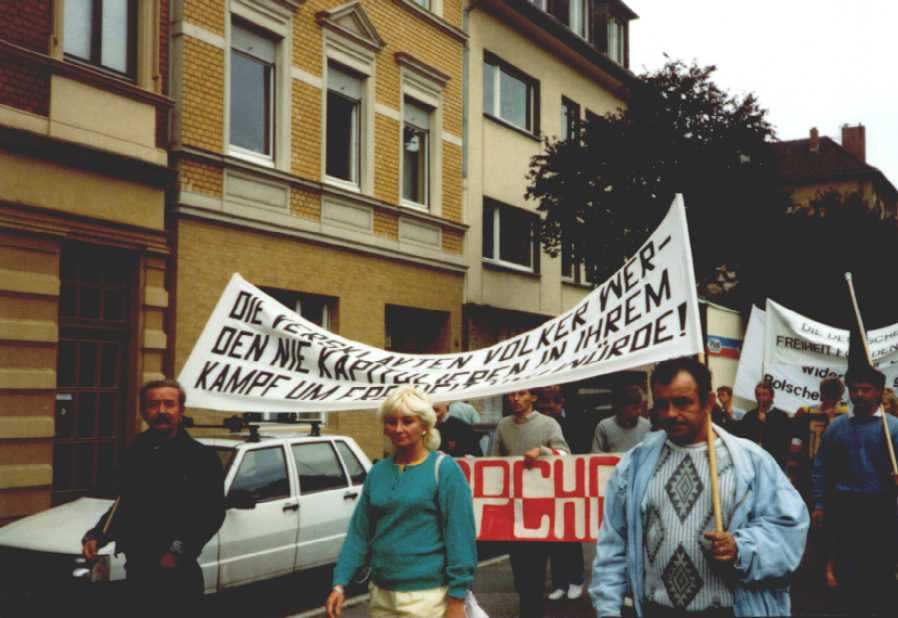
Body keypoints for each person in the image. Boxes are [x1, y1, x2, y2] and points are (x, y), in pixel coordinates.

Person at [590, 357, 809, 618]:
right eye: (662, 404)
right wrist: (607, 610)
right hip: (656, 611)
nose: (671, 413)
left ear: (708, 401)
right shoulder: (634, 465)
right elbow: (613, 545)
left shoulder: (752, 462)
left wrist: (741, 548)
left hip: (728, 611)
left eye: (682, 402)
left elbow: (789, 529)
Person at [326, 386, 477, 618]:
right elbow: (359, 534)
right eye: (391, 422)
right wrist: (340, 583)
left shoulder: (445, 470)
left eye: (408, 421)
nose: (398, 429)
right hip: (381, 595)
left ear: (425, 425)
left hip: (428, 598)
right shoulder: (377, 473)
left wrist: (457, 598)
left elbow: (460, 537)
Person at [81, 379, 226, 616]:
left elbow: (210, 513)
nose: (161, 411)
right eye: (153, 405)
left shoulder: (200, 457)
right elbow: (125, 503)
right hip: (138, 565)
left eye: (169, 404)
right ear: (142, 411)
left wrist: (176, 552)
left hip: (176, 570)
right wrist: (98, 534)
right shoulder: (136, 450)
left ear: (181, 410)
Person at [812, 365, 898, 614]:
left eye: (866, 390)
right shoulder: (837, 428)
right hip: (845, 509)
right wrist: (819, 503)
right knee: (847, 576)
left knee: (880, 576)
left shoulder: (892, 428)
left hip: (881, 509)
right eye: (855, 389)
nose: (859, 394)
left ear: (880, 393)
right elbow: (820, 468)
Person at [491, 389, 569, 618]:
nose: (514, 398)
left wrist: (544, 451)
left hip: (541, 508)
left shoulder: (549, 424)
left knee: (535, 571)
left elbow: (566, 456)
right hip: (514, 510)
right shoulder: (503, 426)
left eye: (521, 394)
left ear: (533, 397)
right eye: (511, 394)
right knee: (520, 572)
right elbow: (495, 463)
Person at [536, 386, 585, 602]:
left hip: (571, 483)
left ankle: (576, 580)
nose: (547, 411)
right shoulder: (540, 426)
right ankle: (559, 583)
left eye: (551, 406)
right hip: (547, 486)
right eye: (544, 407)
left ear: (561, 404)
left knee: (571, 536)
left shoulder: (576, 420)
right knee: (553, 536)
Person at [737, 382, 792, 469]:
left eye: (764, 394)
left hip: (773, 463)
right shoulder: (749, 416)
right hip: (753, 463)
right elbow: (743, 438)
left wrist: (766, 423)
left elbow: (783, 443)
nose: (761, 398)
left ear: (772, 396)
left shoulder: (781, 416)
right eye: (758, 395)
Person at [592, 383, 651, 453]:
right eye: (635, 408)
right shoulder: (604, 427)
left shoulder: (648, 426)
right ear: (622, 408)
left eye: (640, 407)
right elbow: (595, 454)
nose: (639, 412)